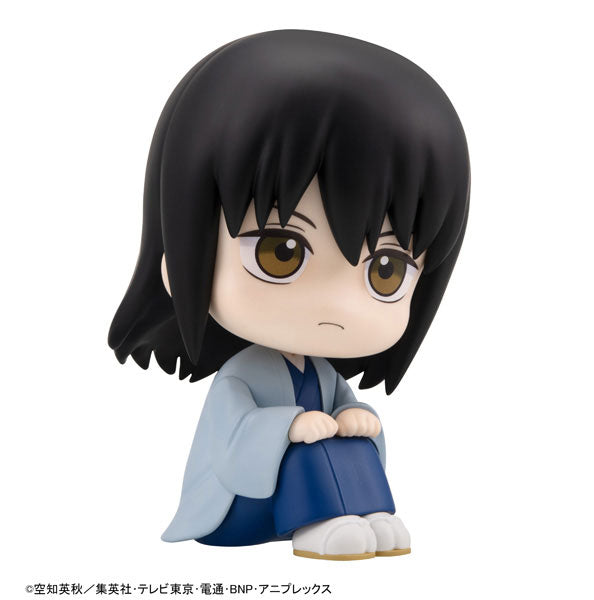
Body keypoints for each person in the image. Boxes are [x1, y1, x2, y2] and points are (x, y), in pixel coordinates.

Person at [108, 30, 470, 560]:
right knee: (303, 445)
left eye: (386, 270)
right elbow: (233, 446)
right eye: (281, 252)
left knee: (351, 435)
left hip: (293, 502)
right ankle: (324, 520)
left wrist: (356, 418)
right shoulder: (240, 377)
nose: (337, 307)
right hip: (238, 510)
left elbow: (343, 416)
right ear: (180, 255)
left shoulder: (325, 377)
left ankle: (371, 512)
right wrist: (290, 426)